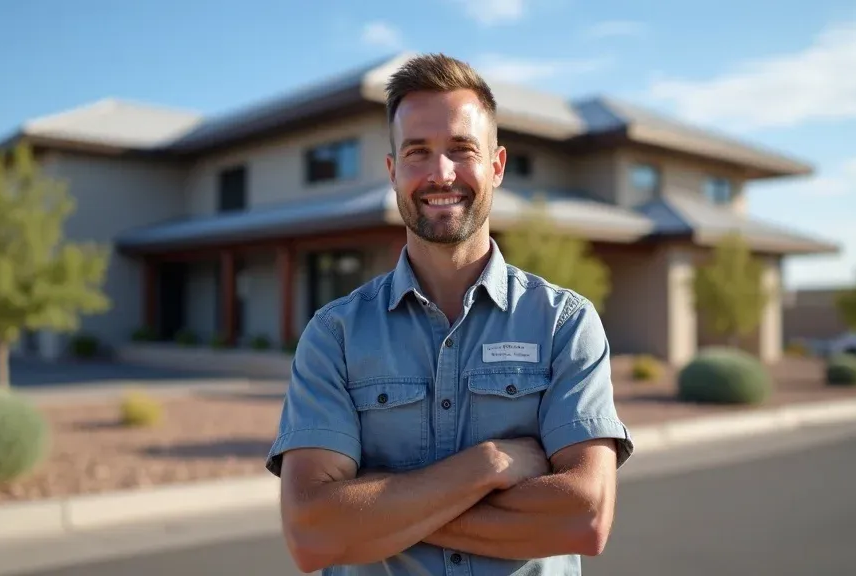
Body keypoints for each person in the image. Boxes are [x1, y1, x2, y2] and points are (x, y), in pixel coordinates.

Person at [265, 52, 634, 576]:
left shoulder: (563, 323)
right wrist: (486, 466)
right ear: (393, 172)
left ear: (496, 167)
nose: (441, 174)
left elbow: (583, 518)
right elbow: (312, 533)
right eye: (417, 152)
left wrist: (373, 510)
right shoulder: (335, 335)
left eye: (462, 150)